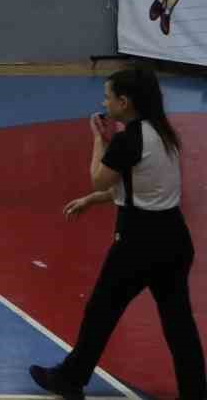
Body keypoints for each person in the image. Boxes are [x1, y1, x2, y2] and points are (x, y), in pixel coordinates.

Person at [30, 66, 205, 400]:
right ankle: (195, 392)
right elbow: (141, 186)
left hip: (139, 244)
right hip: (174, 239)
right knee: (178, 322)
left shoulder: (129, 139)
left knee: (101, 310)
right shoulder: (163, 133)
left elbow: (99, 177)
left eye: (108, 97)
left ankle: (70, 378)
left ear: (124, 102)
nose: (104, 102)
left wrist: (98, 139)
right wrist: (93, 201)